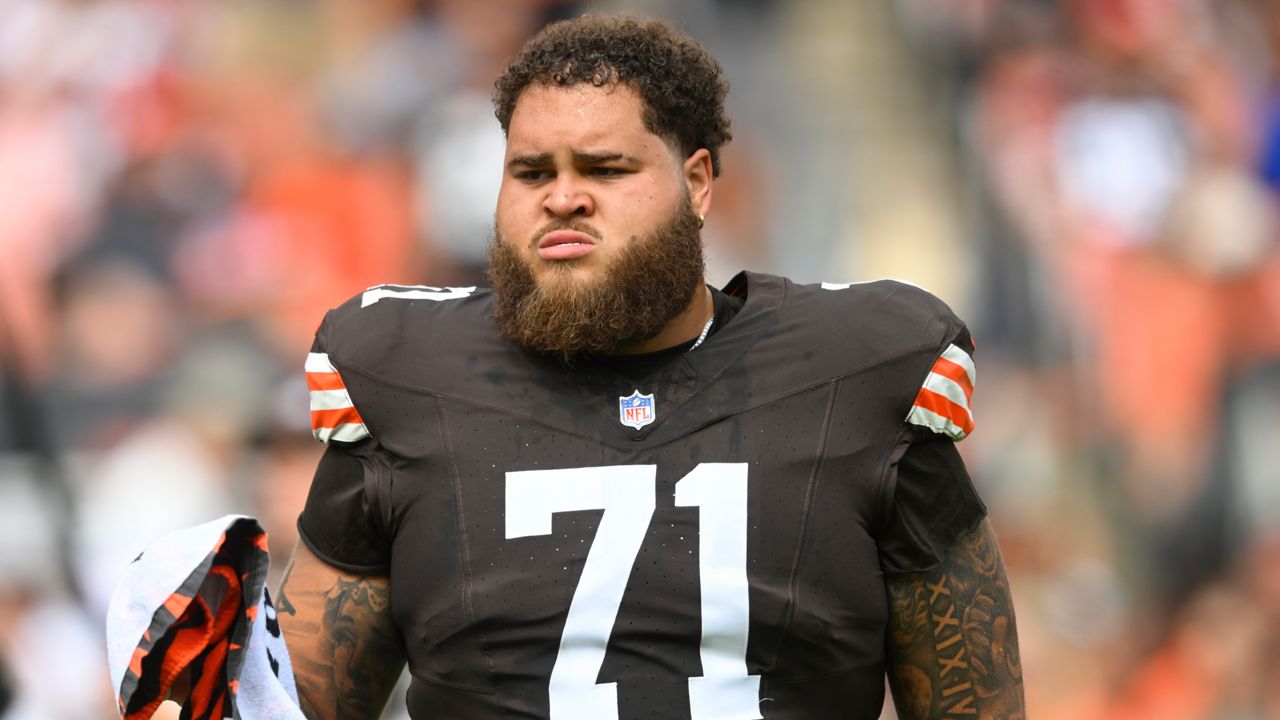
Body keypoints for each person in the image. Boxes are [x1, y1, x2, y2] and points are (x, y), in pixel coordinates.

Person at [278, 14, 1026, 720]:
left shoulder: (859, 372)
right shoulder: (409, 378)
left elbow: (976, 701)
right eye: (532, 173)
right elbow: (293, 706)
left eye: (604, 169)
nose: (564, 199)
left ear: (697, 183)